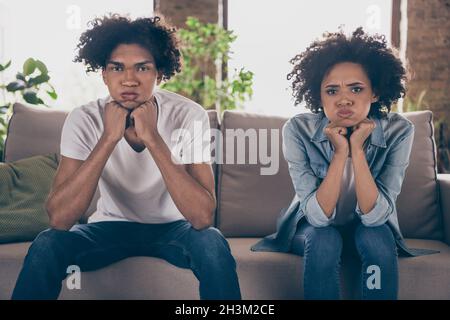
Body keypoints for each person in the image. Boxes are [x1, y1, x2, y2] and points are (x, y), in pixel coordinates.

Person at [12, 14, 241, 300]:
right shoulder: (83, 119)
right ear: (104, 74)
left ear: (159, 74)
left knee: (212, 242)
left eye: (142, 68)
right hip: (108, 228)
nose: (129, 80)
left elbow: (202, 217)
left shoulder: (189, 115)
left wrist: (153, 138)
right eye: (117, 68)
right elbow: (59, 219)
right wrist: (108, 138)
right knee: (47, 243)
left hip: (174, 229)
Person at [252, 27, 436, 300]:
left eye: (356, 88)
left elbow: (375, 216)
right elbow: (317, 217)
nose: (344, 99)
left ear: (375, 92)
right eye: (332, 90)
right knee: (324, 240)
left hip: (369, 227)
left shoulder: (400, 131)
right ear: (319, 96)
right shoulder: (298, 130)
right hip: (315, 229)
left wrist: (357, 152)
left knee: (378, 238)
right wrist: (340, 154)